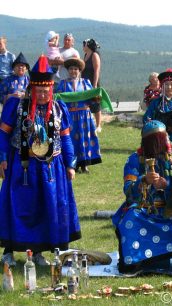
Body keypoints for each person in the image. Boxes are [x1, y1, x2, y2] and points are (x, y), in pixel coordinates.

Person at [0, 55, 81, 266]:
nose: (43, 94)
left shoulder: (58, 108)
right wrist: (2, 158)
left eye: (47, 91)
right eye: (39, 91)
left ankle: (38, 253)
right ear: (32, 89)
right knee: (20, 207)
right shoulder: (16, 106)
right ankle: (8, 252)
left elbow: (65, 138)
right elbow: (3, 134)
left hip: (51, 168)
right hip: (22, 166)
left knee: (49, 208)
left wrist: (70, 163)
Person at [112, 120, 172, 274]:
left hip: (171, 211)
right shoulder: (134, 160)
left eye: (162, 138)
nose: (161, 143)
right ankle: (133, 261)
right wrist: (144, 181)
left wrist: (168, 186)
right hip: (145, 212)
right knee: (130, 218)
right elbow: (128, 190)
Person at [56, 57, 102, 173]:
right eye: (71, 69)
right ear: (68, 70)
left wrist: (96, 98)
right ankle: (72, 164)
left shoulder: (86, 83)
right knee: (70, 139)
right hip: (69, 116)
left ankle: (84, 164)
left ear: (79, 70)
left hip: (84, 116)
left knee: (84, 138)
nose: (73, 71)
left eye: (75, 69)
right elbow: (58, 100)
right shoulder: (63, 84)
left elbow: (93, 99)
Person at [81, 38, 102, 132]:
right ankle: (88, 123)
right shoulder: (85, 55)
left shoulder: (94, 55)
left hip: (93, 83)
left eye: (84, 44)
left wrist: (95, 85)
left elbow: (97, 70)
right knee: (86, 103)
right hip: (85, 83)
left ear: (88, 45)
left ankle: (98, 125)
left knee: (96, 104)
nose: (83, 46)